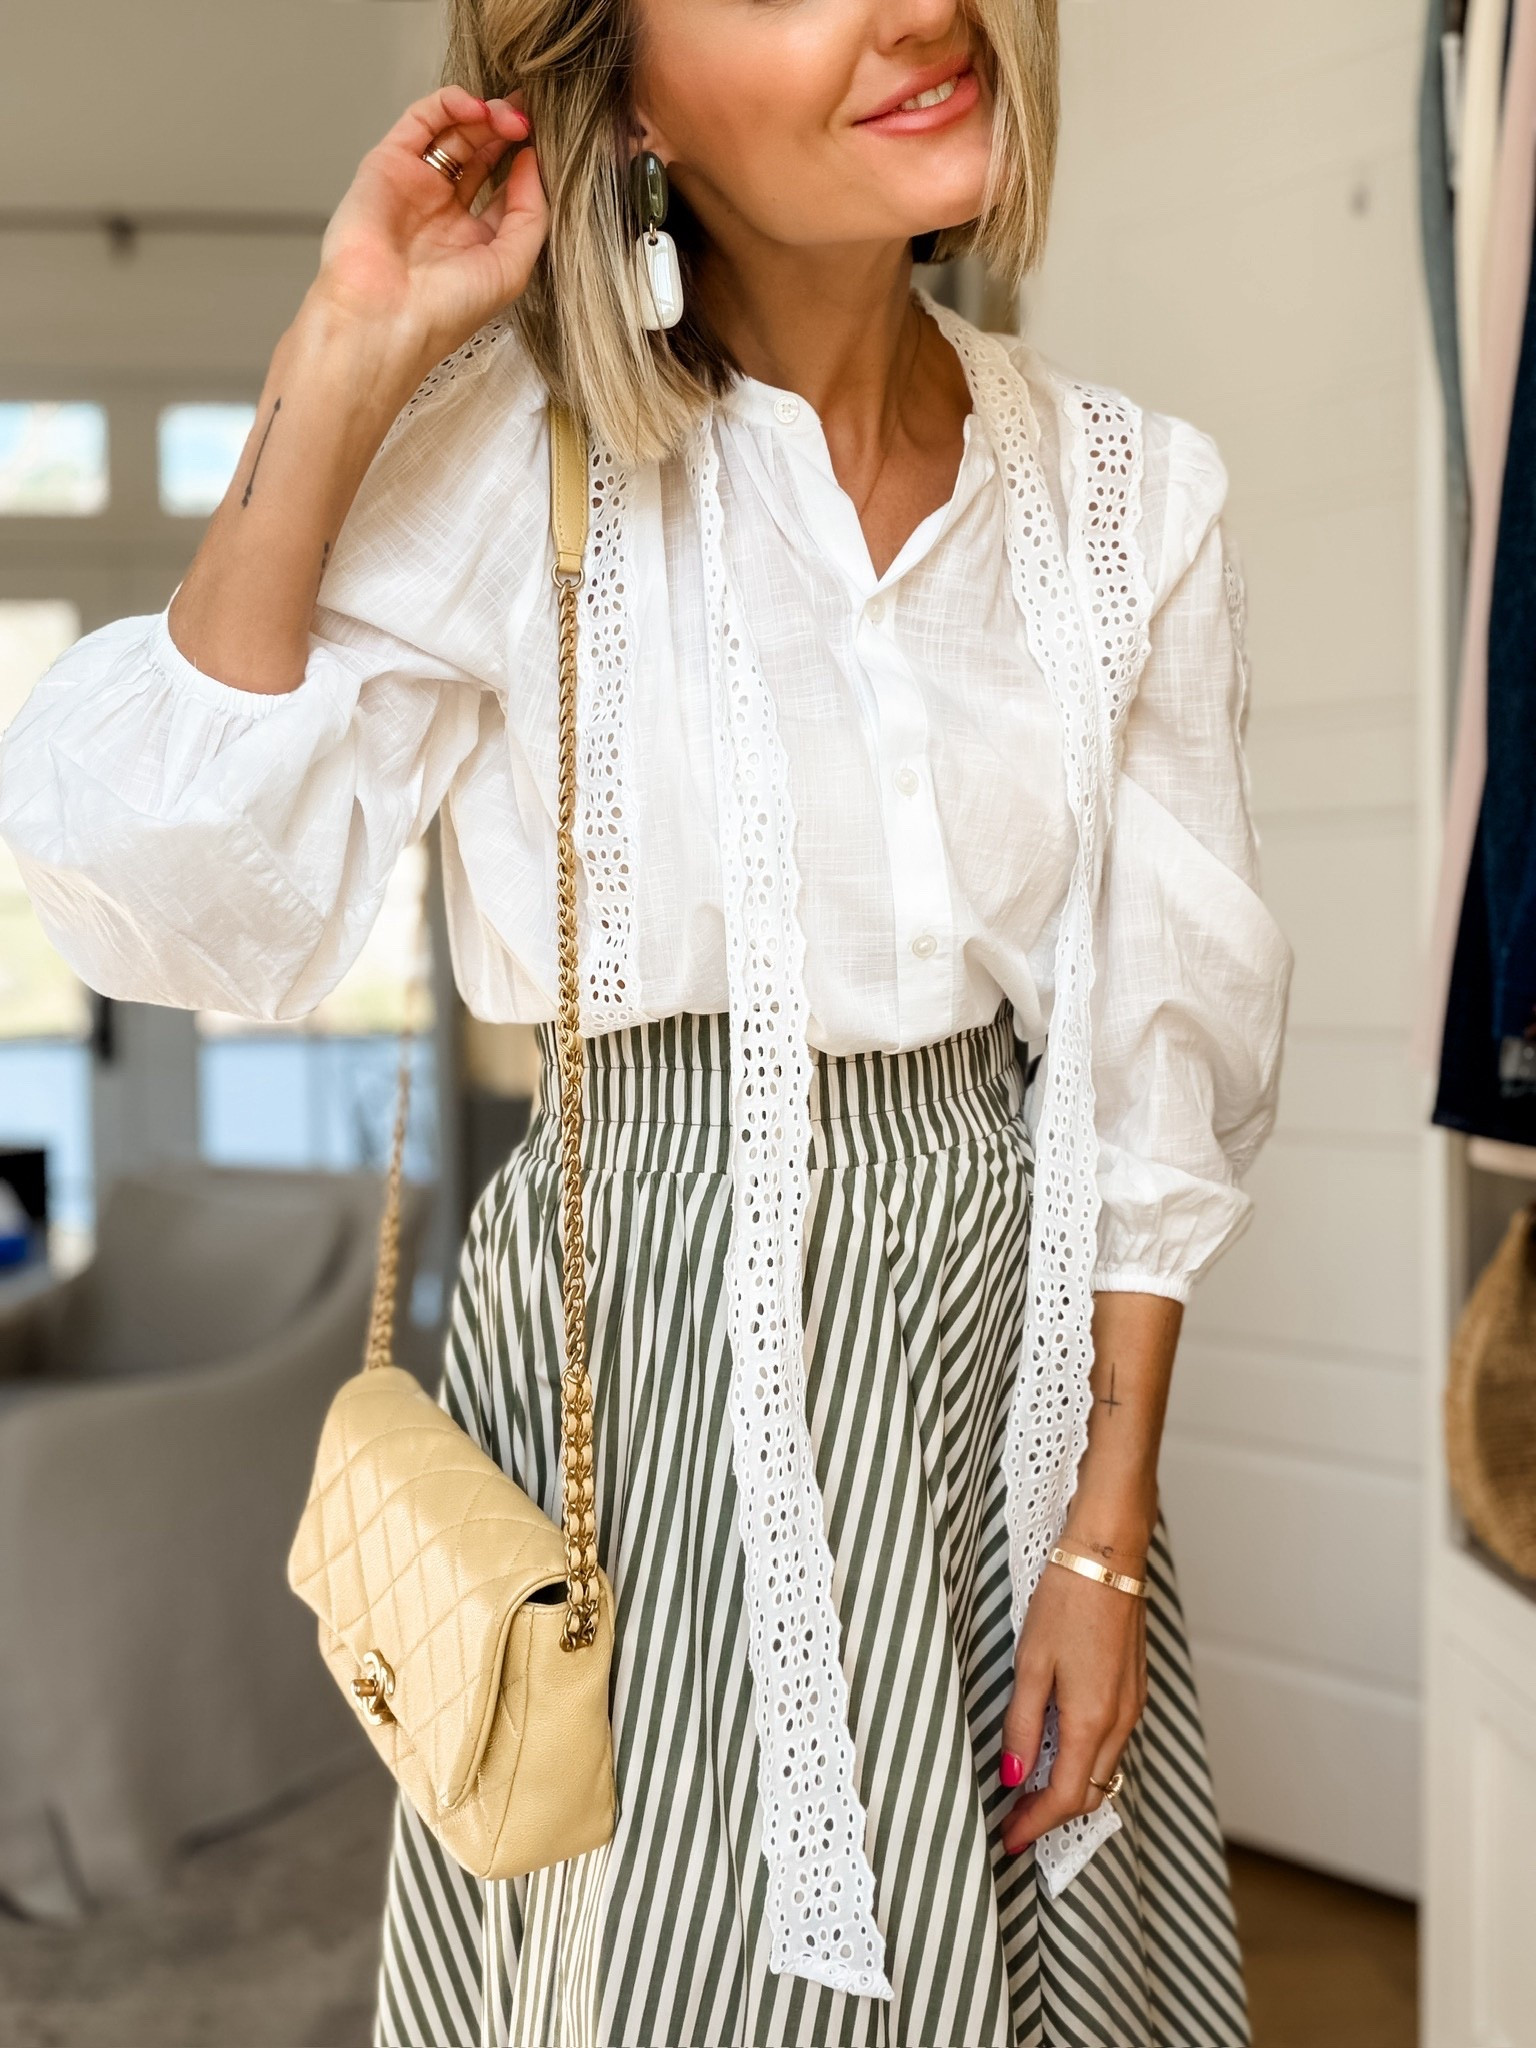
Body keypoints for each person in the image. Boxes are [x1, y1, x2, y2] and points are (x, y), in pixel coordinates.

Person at [0, 0, 1292, 2041]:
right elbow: (166, 896)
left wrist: (1105, 1540)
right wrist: (347, 349)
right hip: (648, 1355)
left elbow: (1156, 1067)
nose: (914, 10)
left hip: (998, 1376)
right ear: (619, 86)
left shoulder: (1131, 498)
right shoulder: (508, 457)